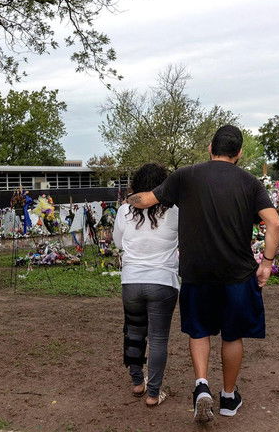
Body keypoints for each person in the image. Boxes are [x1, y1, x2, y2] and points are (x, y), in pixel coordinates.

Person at [126, 125, 279, 422]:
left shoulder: (185, 175)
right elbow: (273, 224)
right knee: (232, 336)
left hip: (197, 273)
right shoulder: (250, 183)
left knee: (199, 332)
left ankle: (201, 386)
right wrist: (267, 263)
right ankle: (228, 397)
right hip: (237, 274)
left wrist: (127, 199)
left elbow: (144, 201)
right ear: (239, 153)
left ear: (210, 148)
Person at [113, 163, 179, 407]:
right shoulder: (175, 211)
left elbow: (118, 243)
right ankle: (153, 393)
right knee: (158, 338)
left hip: (131, 281)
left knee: (134, 332)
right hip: (163, 281)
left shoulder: (124, 211)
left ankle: (137, 382)